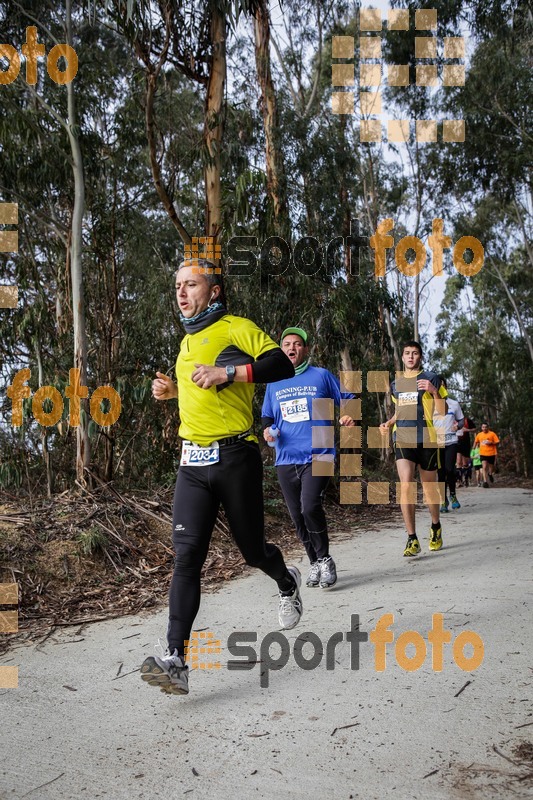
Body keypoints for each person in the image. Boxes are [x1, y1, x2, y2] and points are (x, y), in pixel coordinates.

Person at [140, 259, 303, 696]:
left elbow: (280, 366)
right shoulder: (184, 343)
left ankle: (286, 581)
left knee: (252, 552)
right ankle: (176, 659)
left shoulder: (235, 327)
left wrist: (228, 372)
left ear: (212, 291)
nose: (181, 291)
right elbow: (201, 391)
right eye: (177, 285)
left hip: (235, 457)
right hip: (192, 464)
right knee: (186, 556)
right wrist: (173, 391)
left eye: (190, 284)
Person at [261, 327, 355, 590]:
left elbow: (348, 398)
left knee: (310, 506)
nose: (292, 347)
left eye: (298, 344)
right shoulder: (274, 382)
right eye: (287, 344)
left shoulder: (321, 376)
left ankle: (325, 559)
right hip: (285, 458)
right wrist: (268, 431)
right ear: (282, 350)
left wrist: (348, 415)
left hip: (320, 453)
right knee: (297, 516)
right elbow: (267, 417)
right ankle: (314, 562)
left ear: (306, 349)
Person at [380, 341, 448, 557]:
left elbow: (443, 411)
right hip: (403, 438)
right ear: (402, 357)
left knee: (429, 490)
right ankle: (412, 538)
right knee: (406, 484)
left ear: (420, 357)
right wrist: (389, 423)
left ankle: (435, 526)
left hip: (427, 438)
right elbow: (401, 410)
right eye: (407, 353)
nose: (411, 357)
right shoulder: (396, 384)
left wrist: (434, 392)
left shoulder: (432, 378)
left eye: (415, 353)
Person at [434, 378, 464, 512]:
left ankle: (452, 495)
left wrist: (458, 426)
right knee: (440, 473)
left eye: (442, 385)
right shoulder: (428, 405)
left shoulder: (454, 404)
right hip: (436, 444)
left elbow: (461, 420)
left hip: (451, 441)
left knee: (450, 470)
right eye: (437, 385)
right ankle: (443, 500)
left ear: (446, 387)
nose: (440, 387)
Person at [473, 422, 500, 488]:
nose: (484, 428)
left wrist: (491, 443)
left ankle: (490, 474)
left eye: (486, 427)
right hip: (482, 453)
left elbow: (497, 442)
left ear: (488, 427)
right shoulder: (479, 435)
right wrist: (473, 448)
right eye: (483, 427)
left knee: (491, 467)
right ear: (481, 428)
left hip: (491, 453)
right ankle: (485, 482)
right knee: (484, 467)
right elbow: (476, 441)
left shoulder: (492, 434)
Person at [456, 417, 476, 486]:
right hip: (456, 442)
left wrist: (467, 430)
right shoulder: (452, 420)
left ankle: (466, 479)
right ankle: (459, 481)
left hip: (465, 442)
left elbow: (474, 429)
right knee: (458, 462)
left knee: (465, 463)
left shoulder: (467, 420)